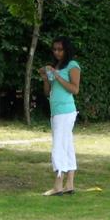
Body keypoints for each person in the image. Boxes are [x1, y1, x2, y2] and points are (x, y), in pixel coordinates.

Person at [38, 37, 81, 196]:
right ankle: (69, 184)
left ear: (66, 50)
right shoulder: (56, 67)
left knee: (58, 146)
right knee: (67, 145)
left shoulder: (72, 66)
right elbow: (48, 92)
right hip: (56, 111)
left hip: (66, 111)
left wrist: (57, 76)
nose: (56, 52)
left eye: (60, 49)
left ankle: (58, 184)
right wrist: (46, 78)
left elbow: (74, 89)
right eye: (54, 49)